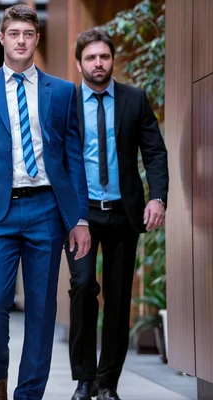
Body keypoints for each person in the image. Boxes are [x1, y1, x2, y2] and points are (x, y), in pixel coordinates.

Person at [0, 5, 91, 400]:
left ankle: (28, 394)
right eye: (13, 33)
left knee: (42, 310)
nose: (20, 40)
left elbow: (73, 158)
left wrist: (78, 217)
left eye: (28, 34)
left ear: (36, 38)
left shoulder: (63, 91)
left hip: (46, 210)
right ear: (2, 37)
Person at [66, 29, 169, 400]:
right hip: (81, 215)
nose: (98, 64)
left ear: (112, 60)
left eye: (104, 57)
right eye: (91, 58)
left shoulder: (134, 99)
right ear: (79, 63)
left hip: (124, 215)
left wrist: (157, 197)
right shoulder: (65, 102)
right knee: (82, 288)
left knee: (119, 296)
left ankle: (107, 383)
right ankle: (83, 378)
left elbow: (155, 152)